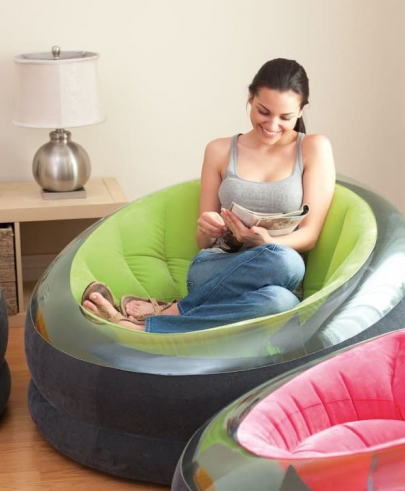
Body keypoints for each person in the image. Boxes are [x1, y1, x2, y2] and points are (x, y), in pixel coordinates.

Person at [83, 57, 336, 332]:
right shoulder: (219, 150)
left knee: (281, 294)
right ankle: (172, 314)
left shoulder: (313, 148)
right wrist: (211, 227)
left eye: (285, 117)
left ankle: (162, 318)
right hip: (215, 266)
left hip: (277, 275)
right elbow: (202, 241)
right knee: (283, 263)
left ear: (301, 110)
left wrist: (266, 242)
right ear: (250, 97)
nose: (272, 125)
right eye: (264, 111)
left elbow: (310, 235)